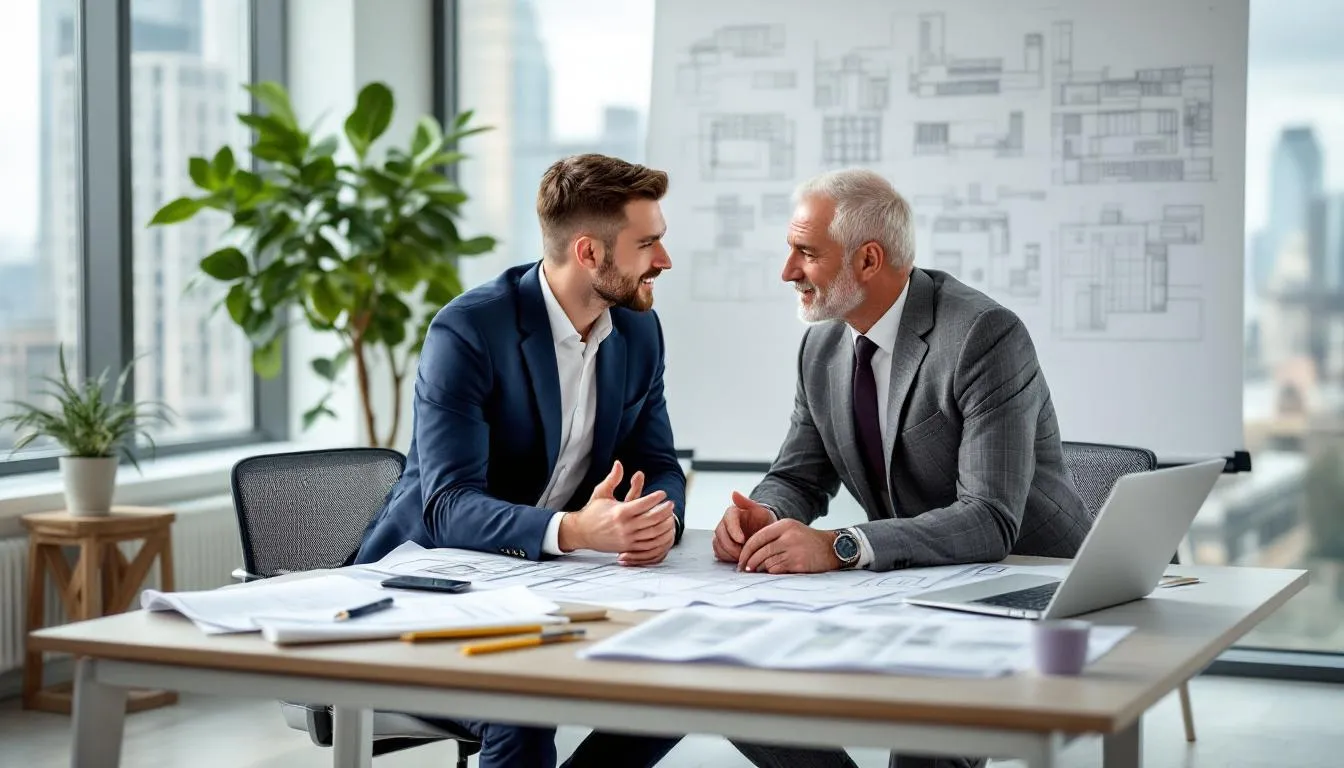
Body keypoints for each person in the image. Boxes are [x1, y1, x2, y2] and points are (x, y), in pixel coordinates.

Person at [712, 168, 1091, 768]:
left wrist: (838, 545)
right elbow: (798, 476)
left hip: (1028, 582)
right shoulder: (822, 346)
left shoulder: (982, 336)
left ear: (867, 260)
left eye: (806, 253)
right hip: (908, 579)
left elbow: (991, 520)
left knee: (925, 747)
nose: (787, 271)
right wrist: (766, 514)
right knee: (733, 686)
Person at [354, 153, 685, 768]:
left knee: (679, 681)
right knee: (520, 710)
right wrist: (574, 529)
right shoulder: (470, 331)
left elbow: (659, 461)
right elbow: (446, 507)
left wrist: (656, 517)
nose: (663, 260)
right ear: (589, 253)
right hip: (431, 584)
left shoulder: (639, 332)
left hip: (547, 589)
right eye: (648, 244)